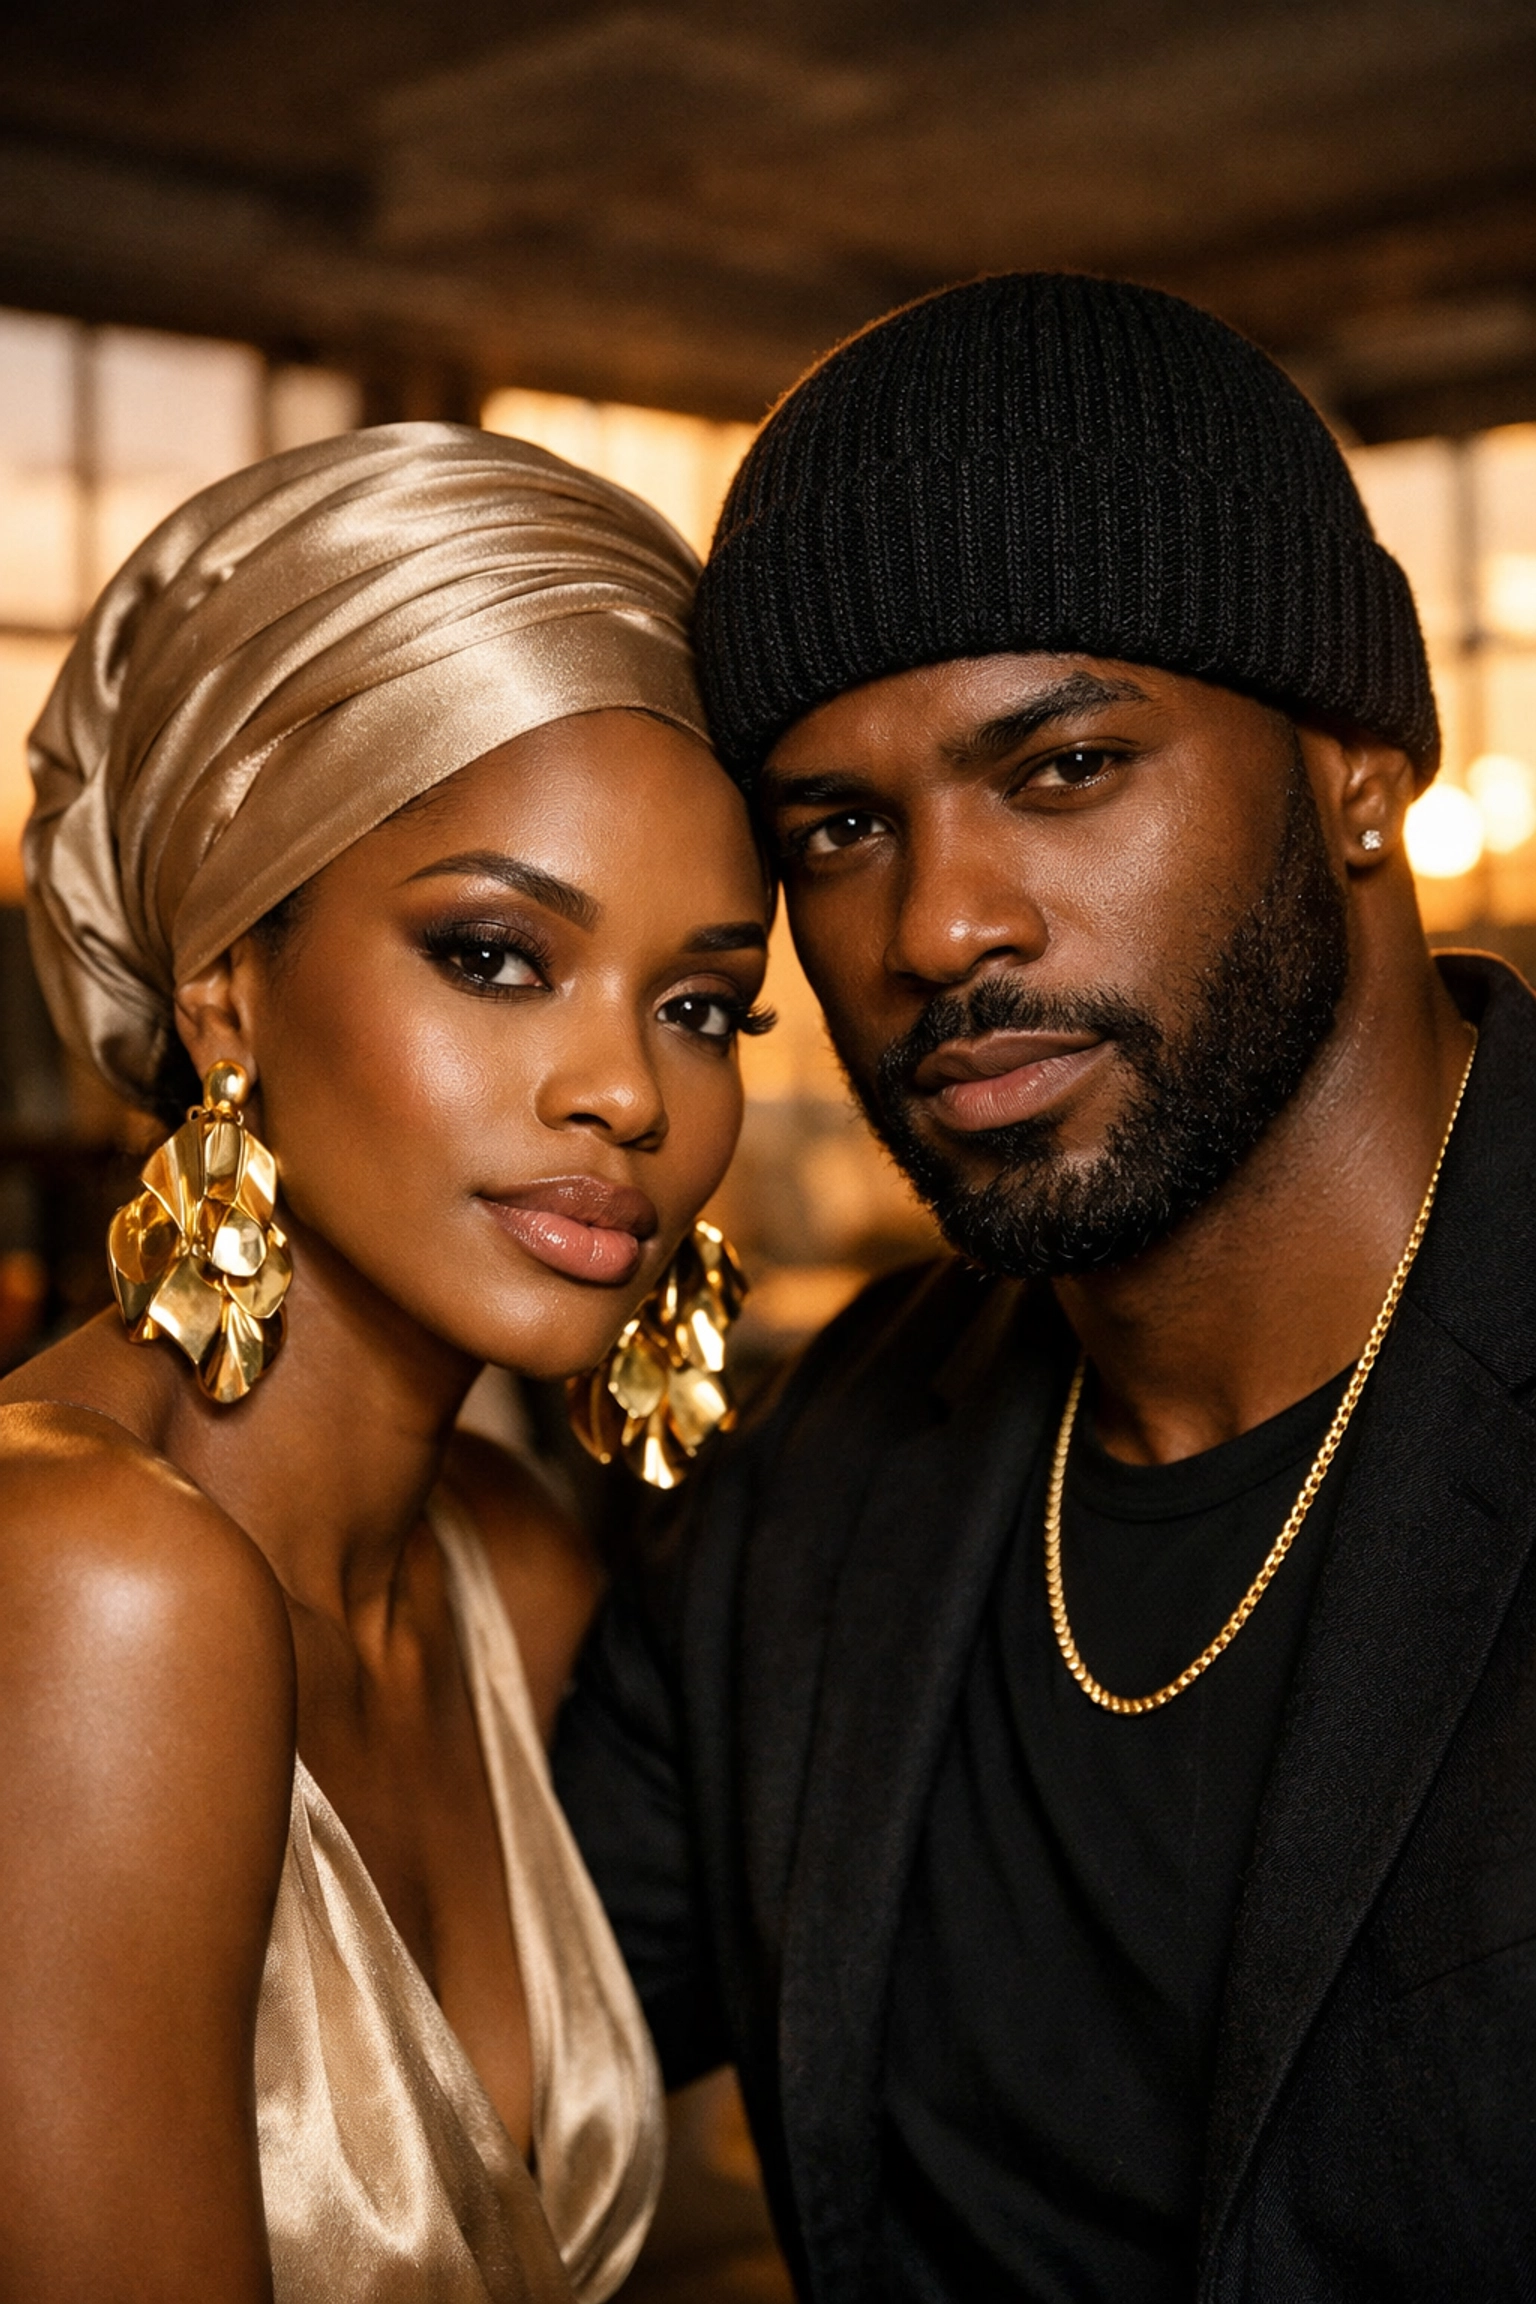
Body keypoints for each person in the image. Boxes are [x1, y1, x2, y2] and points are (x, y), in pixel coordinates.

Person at [553, 274, 1536, 2301]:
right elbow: (402, 2094)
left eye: (1065, 767)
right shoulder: (819, 1480)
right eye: (837, 828)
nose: (940, 926)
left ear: (1359, 764)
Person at [0, 422, 774, 2303]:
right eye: (499, 954)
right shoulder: (91, 1584)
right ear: (226, 991)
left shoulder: (513, 1576)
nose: (627, 1091)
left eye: (700, 1004)